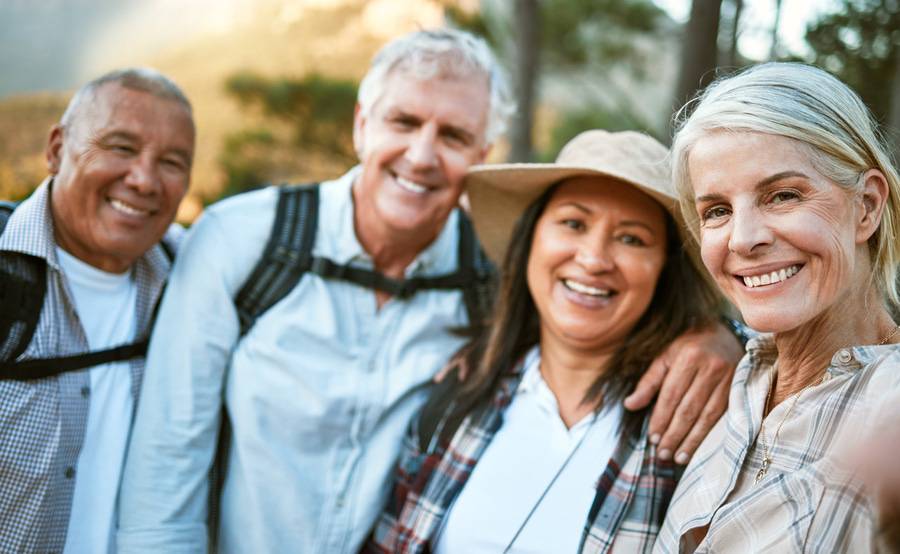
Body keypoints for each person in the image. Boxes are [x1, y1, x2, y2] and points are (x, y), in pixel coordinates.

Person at [117, 29, 740, 554]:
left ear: (480, 153)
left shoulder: (491, 277)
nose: (420, 154)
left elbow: (599, 310)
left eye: (452, 136)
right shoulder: (244, 240)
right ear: (362, 125)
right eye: (403, 121)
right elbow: (165, 471)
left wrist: (719, 335)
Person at [365, 129, 722, 553]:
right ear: (531, 238)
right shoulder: (457, 398)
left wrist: (731, 336)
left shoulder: (695, 422)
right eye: (573, 223)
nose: (593, 259)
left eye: (631, 238)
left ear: (665, 269)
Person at [655, 62, 900, 552]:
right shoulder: (738, 382)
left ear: (867, 206)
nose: (743, 240)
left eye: (783, 196)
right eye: (717, 211)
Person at [0, 68, 194, 553]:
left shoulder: (193, 283)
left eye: (172, 162)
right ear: (55, 149)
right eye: (121, 148)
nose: (145, 180)